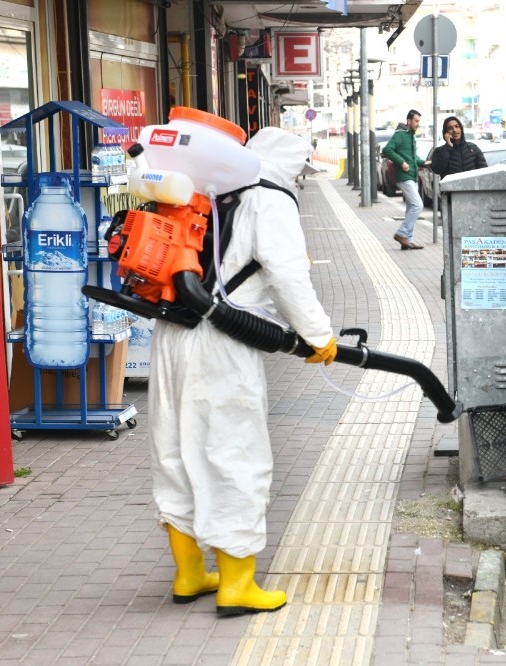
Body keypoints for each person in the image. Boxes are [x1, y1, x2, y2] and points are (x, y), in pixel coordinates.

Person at [148, 126, 337, 618]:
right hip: (222, 343)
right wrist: (319, 336)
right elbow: (288, 276)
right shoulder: (270, 200)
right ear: (290, 168)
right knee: (233, 453)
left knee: (175, 452)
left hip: (172, 333)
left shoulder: (207, 190)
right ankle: (236, 585)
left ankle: (190, 573)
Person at [382, 109, 428, 250]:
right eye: (416, 121)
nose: (417, 124)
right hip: (404, 177)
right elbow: (387, 150)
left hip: (412, 177)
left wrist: (424, 163)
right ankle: (402, 234)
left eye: (419, 121)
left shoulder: (410, 136)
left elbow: (412, 158)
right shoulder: (401, 135)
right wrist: (402, 163)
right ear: (408, 121)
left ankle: (407, 240)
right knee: (417, 205)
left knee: (410, 208)